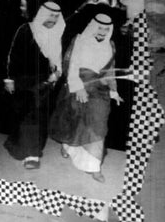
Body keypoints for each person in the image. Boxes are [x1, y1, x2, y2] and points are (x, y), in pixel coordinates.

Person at [50, 12, 123, 183]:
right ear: (93, 26)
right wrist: (78, 88)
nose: (103, 32)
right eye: (100, 28)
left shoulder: (110, 45)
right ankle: (68, 145)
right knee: (76, 121)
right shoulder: (80, 40)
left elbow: (110, 71)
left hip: (100, 89)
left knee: (98, 124)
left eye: (107, 29)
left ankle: (93, 167)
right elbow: (72, 64)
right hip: (79, 85)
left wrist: (113, 91)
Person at [2, 0, 65, 170]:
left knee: (36, 117)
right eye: (50, 14)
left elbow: (58, 60)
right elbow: (12, 55)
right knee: (24, 116)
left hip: (44, 83)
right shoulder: (25, 29)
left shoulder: (57, 34)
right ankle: (22, 148)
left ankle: (33, 154)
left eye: (56, 16)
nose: (53, 18)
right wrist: (9, 79)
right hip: (23, 81)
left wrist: (56, 74)